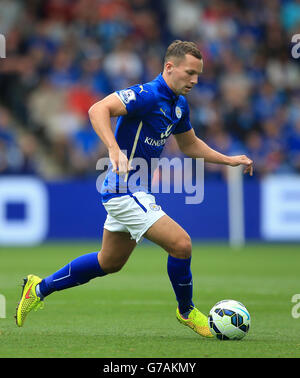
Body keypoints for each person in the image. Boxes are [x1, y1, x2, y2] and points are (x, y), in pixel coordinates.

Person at [15, 40, 253, 337]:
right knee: (181, 244)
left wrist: (227, 159)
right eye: (190, 73)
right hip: (123, 189)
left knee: (109, 261)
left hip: (135, 190)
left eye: (198, 75)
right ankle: (187, 311)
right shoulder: (147, 94)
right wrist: (114, 149)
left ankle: (38, 288)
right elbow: (97, 109)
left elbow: (189, 144)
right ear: (169, 67)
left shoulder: (178, 104)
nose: (194, 80)